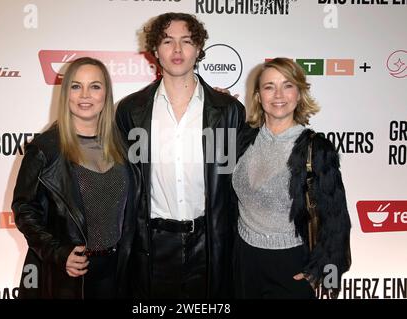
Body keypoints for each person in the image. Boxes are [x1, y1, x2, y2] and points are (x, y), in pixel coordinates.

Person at [115, 12, 254, 298]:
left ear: (199, 49)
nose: (177, 50)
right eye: (168, 41)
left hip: (210, 246)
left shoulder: (227, 111)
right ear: (155, 50)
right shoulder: (131, 111)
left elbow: (238, 183)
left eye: (186, 41)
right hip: (152, 246)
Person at [12, 57, 139, 298]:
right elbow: (24, 209)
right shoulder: (45, 149)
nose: (85, 95)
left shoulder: (124, 145)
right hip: (67, 276)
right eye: (76, 86)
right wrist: (59, 253)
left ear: (106, 95)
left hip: (116, 273)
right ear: (66, 93)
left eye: (95, 86)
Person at [232, 57, 352, 299]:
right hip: (242, 261)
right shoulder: (243, 139)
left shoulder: (316, 149)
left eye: (287, 85)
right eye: (269, 87)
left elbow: (336, 218)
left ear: (299, 94)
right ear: (258, 96)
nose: (278, 95)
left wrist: (323, 272)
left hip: (291, 265)